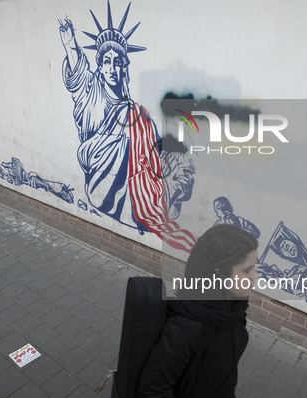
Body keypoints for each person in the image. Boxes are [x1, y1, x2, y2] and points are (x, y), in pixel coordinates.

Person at [58, 4, 196, 253]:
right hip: (99, 171)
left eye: (118, 62)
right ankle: (151, 200)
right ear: (99, 67)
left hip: (135, 175)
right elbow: (77, 73)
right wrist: (70, 46)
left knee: (140, 119)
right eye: (107, 62)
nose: (112, 68)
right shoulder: (90, 93)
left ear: (124, 68)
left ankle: (158, 196)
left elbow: (152, 148)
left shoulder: (136, 111)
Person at [138, 224, 259, 397]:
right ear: (219, 274)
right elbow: (152, 390)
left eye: (254, 267)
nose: (255, 275)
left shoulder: (233, 307)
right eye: (247, 270)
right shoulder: (186, 326)